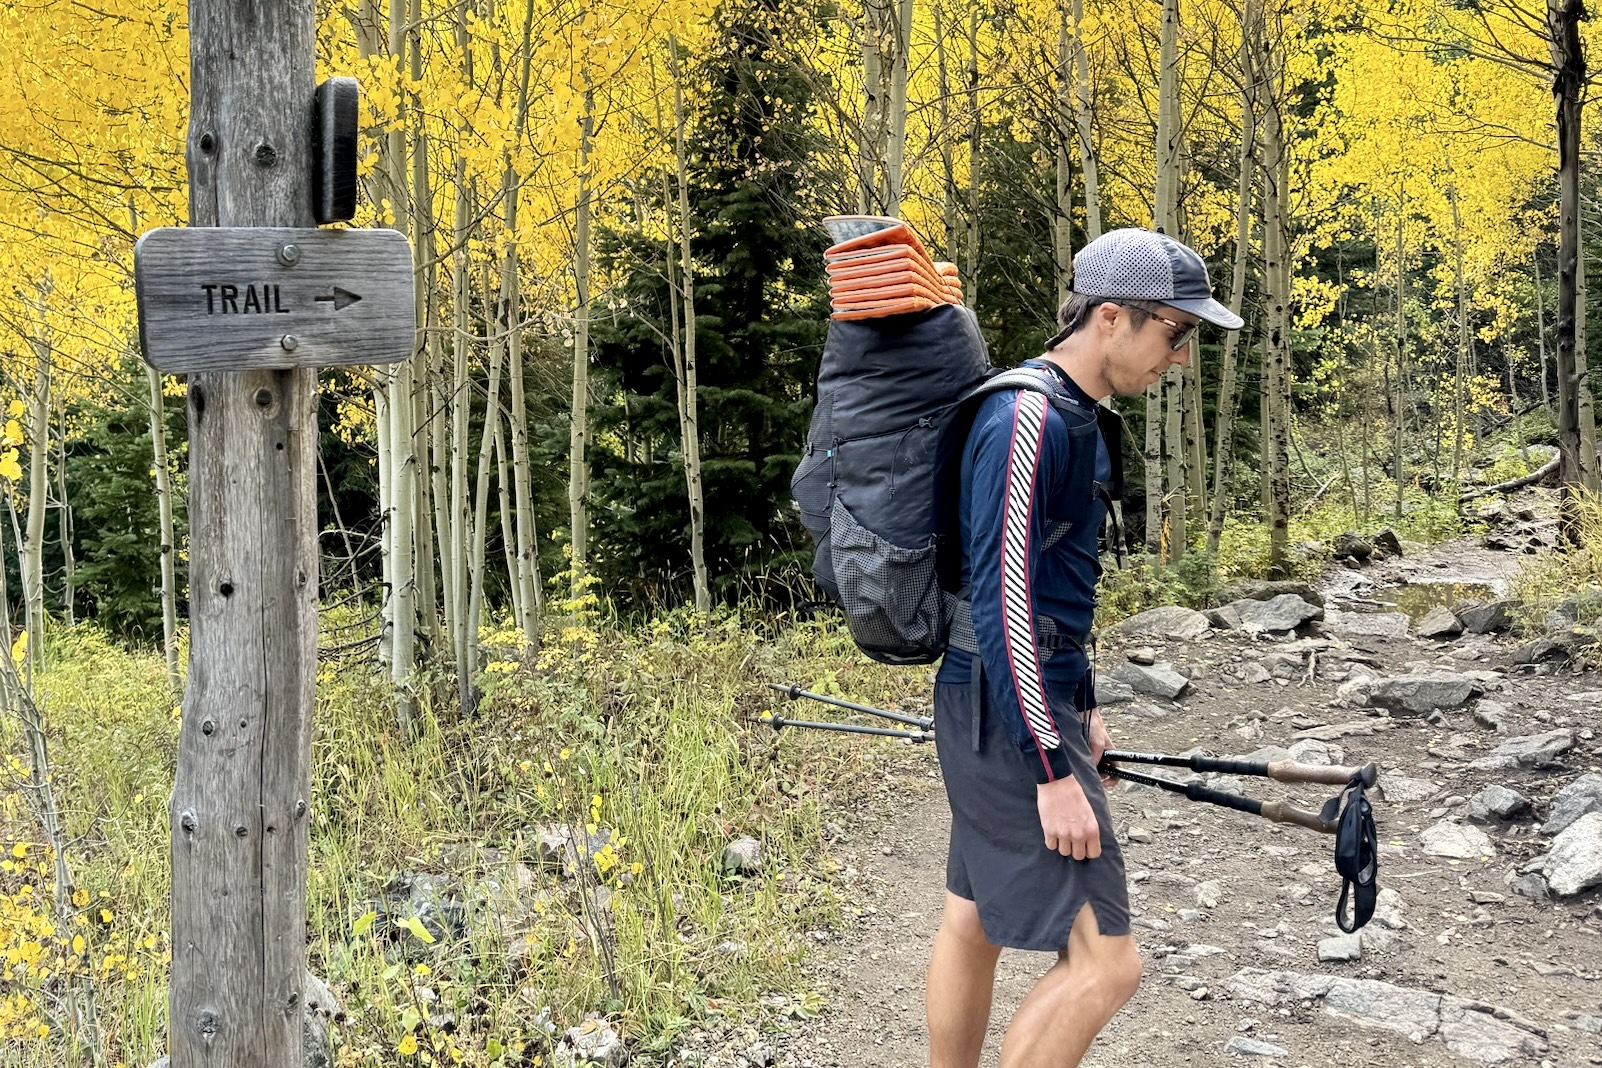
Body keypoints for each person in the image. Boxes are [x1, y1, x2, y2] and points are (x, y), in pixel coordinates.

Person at [926, 228, 1244, 1068]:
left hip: (1004, 696)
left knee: (974, 916)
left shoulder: (1075, 415)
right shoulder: (1028, 415)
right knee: (1107, 963)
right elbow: (1001, 600)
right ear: (1112, 317)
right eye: (1176, 334)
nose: (1179, 359)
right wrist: (1051, 769)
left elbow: (1056, 582)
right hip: (1002, 707)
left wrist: (1086, 706)